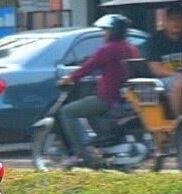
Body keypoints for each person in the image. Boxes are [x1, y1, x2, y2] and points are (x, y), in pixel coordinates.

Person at [57, 14, 139, 167]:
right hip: (123, 98)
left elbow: (87, 67)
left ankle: (84, 154)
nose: (104, 34)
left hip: (106, 99)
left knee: (67, 112)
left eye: (106, 30)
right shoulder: (131, 49)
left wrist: (68, 79)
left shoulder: (107, 50)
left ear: (113, 32)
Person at [145, 4, 182, 117]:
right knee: (179, 84)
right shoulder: (155, 41)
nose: (176, 23)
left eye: (180, 19)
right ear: (166, 21)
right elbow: (156, 69)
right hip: (160, 81)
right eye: (173, 19)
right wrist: (181, 76)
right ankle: (178, 121)